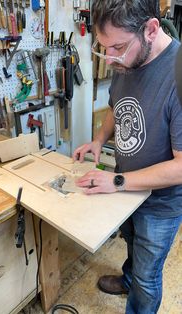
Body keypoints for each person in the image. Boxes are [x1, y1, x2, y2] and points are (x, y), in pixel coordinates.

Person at [73, 1, 182, 313]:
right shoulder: (125, 61)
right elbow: (117, 107)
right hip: (126, 190)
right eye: (104, 47)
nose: (110, 59)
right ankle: (128, 279)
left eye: (117, 47)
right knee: (132, 246)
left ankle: (138, 292)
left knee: (149, 276)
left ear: (150, 29)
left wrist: (117, 180)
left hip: (160, 204)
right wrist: (98, 140)